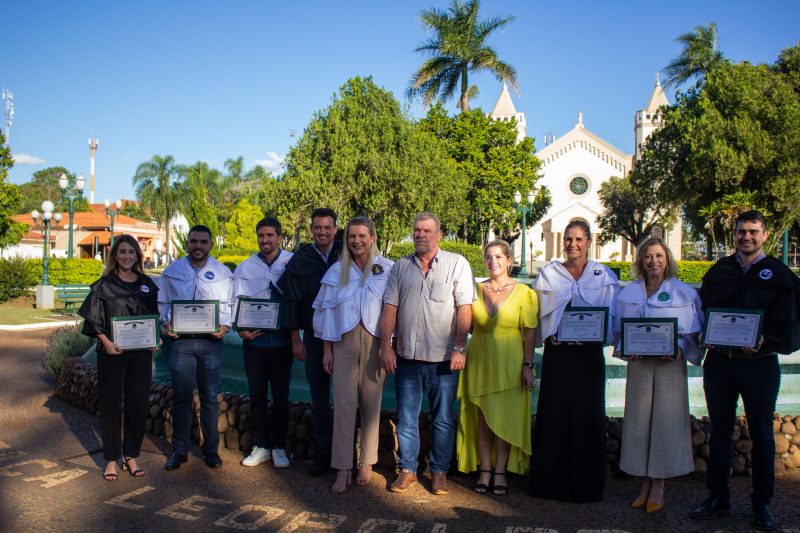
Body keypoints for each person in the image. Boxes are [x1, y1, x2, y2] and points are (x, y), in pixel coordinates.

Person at [689, 210, 800, 531]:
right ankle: (718, 497)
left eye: (753, 231)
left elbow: (787, 324)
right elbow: (703, 312)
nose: (746, 237)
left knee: (764, 436)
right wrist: (702, 333)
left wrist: (766, 341)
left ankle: (762, 504)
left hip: (759, 365)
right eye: (741, 232)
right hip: (721, 364)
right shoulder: (720, 271)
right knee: (720, 433)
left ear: (765, 235)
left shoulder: (778, 276)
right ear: (734, 236)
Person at [381, 212, 475, 496]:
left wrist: (460, 347)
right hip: (408, 357)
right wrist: (386, 345)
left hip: (444, 359)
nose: (420, 235)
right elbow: (390, 308)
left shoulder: (456, 264)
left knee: (443, 418)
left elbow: (464, 308)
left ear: (439, 235)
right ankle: (407, 469)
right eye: (416, 230)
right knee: (407, 417)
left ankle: (439, 471)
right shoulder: (400, 267)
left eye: (426, 230)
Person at [529, 220, 620, 503]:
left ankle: (585, 486)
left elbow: (613, 318)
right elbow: (536, 313)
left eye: (579, 239)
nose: (572, 244)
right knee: (554, 415)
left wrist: (597, 337)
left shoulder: (603, 276)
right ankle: (549, 484)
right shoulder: (549, 273)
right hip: (559, 355)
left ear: (590, 242)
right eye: (568, 239)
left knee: (587, 416)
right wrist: (548, 333)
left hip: (588, 357)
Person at [612, 237, 704, 513]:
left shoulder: (683, 292)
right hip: (639, 365)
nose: (653, 261)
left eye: (658, 256)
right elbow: (619, 330)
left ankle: (660, 484)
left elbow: (694, 331)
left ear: (667, 260)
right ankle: (644, 483)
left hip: (669, 366)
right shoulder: (629, 293)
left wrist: (679, 348)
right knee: (640, 423)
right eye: (648, 256)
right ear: (641, 261)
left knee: (666, 422)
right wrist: (627, 350)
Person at [312, 217, 395, 493]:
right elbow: (325, 313)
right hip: (343, 343)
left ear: (373, 238)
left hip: (377, 343)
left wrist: (389, 346)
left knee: (371, 405)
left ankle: (367, 462)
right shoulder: (337, 271)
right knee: (344, 405)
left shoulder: (388, 270)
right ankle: (343, 467)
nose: (356, 241)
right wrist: (327, 351)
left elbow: (396, 312)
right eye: (351, 236)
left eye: (362, 235)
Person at [456, 240, 537, 496]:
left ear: (509, 261)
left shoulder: (524, 292)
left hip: (511, 362)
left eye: (499, 257)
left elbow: (530, 332)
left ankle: (500, 470)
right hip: (480, 361)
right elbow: (465, 324)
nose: (493, 262)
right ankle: (485, 470)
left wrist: (527, 366)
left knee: (504, 417)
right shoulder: (474, 291)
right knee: (483, 417)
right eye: (489, 257)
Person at [78, 235, 160, 481]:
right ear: (115, 255)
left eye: (131, 252)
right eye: (122, 252)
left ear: (137, 256)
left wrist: (155, 338)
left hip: (141, 356)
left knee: (137, 404)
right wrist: (106, 342)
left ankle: (131, 455)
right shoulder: (103, 286)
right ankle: (111, 459)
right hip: (112, 353)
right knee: (111, 405)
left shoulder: (147, 284)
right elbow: (93, 322)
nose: (127, 256)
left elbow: (153, 316)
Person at [158, 225, 233, 470]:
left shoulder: (222, 273)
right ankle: (179, 451)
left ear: (211, 244)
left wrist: (225, 326)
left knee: (210, 397)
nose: (198, 246)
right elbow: (162, 303)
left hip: (211, 343)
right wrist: (165, 322)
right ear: (187, 243)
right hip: (181, 343)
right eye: (193, 241)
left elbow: (229, 306)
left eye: (203, 241)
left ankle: (211, 450)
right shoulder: (172, 271)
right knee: (181, 397)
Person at [277, 208, 343, 476]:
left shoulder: (346, 254)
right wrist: (296, 339)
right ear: (311, 229)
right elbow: (291, 301)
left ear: (335, 228)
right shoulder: (300, 259)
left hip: (345, 338)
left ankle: (344, 454)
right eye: (318, 227)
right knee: (318, 399)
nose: (323, 232)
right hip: (314, 339)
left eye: (328, 227)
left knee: (345, 399)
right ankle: (324, 453)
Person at [231, 217, 294, 469]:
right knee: (256, 395)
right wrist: (240, 330)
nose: (265, 240)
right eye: (261, 236)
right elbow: (234, 303)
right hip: (254, 344)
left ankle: (278, 447)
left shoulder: (292, 262)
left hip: (281, 342)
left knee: (281, 397)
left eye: (270, 235)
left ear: (279, 237)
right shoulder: (245, 268)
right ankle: (261, 447)